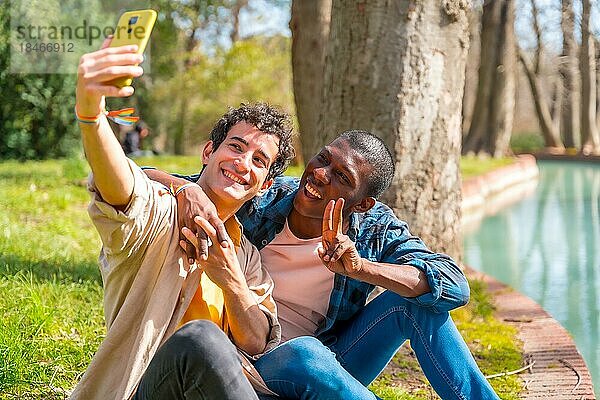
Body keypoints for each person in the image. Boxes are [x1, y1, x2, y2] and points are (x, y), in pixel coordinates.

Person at [147, 130, 500, 399]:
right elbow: (139, 176)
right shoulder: (263, 196)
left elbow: (454, 285)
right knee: (304, 351)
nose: (319, 174)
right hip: (241, 361)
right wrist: (184, 188)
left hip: (326, 365)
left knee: (414, 308)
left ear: (361, 204)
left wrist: (362, 269)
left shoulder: (375, 228)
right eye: (322, 159)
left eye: (341, 177)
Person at [71, 37, 295, 400]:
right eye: (236, 147)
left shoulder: (246, 256)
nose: (243, 163)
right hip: (149, 389)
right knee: (202, 340)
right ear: (209, 152)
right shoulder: (161, 212)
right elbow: (121, 185)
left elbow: (255, 341)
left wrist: (229, 279)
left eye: (258, 160)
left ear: (265, 184)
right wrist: (91, 114)